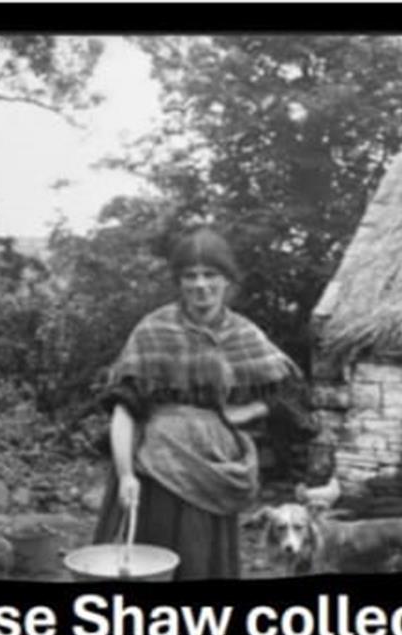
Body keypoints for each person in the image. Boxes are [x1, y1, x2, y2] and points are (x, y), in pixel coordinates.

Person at [92, 228, 302, 580]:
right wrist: (126, 474)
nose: (201, 285)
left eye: (210, 275)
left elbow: (291, 393)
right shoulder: (153, 330)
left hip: (214, 467)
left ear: (227, 280)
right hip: (156, 465)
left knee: (202, 559)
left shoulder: (244, 334)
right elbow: (124, 408)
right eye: (190, 276)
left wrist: (246, 412)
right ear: (179, 281)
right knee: (151, 558)